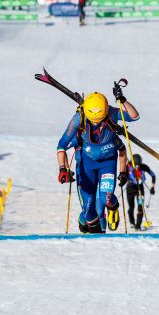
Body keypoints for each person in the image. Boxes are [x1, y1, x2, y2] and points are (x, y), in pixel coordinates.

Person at [57, 87, 139, 233]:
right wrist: (63, 168)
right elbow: (61, 145)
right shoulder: (79, 118)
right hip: (86, 165)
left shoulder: (112, 112)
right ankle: (86, 226)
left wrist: (123, 100)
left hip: (107, 164)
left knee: (104, 201)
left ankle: (111, 211)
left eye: (100, 121)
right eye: (93, 121)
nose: (96, 125)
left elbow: (134, 117)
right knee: (88, 209)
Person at [126, 154, 156, 230]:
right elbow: (122, 175)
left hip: (140, 189)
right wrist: (124, 179)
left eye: (138, 165)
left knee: (140, 207)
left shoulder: (143, 166)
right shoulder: (128, 166)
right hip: (130, 188)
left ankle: (138, 225)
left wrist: (152, 187)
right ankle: (132, 222)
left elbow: (153, 175)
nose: (137, 167)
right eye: (136, 165)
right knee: (131, 207)